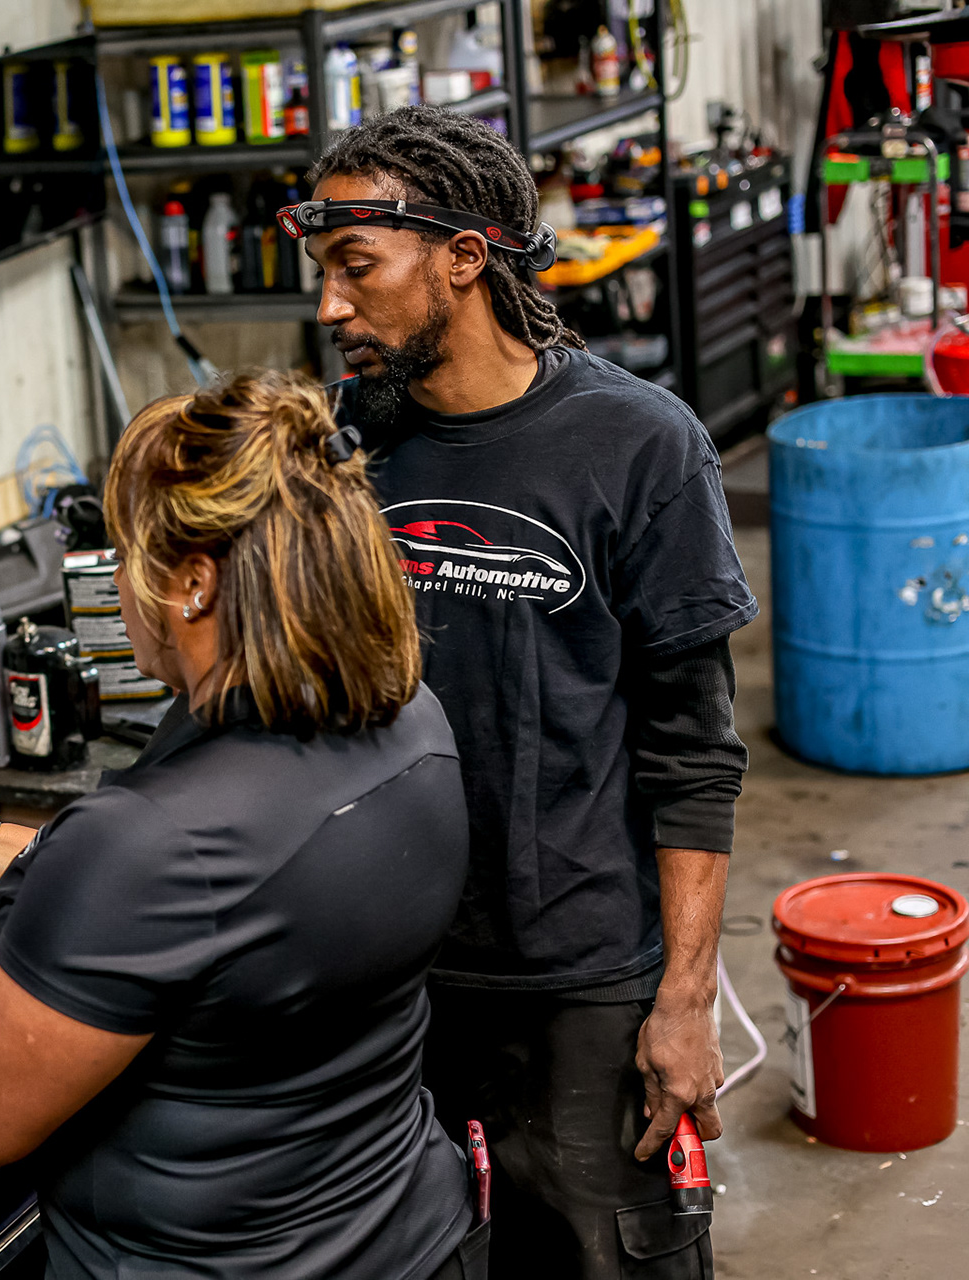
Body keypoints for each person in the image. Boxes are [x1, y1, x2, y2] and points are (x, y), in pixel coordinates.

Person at [0, 372, 489, 1279]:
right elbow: (238, 911)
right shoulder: (411, 726)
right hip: (416, 1241)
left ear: (194, 584)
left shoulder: (147, 843)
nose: (117, 581)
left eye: (127, 553)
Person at [285, 105, 755, 1279]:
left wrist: (685, 995)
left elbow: (695, 751)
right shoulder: (343, 449)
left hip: (582, 980)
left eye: (356, 266)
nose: (331, 306)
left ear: (463, 256)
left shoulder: (640, 445)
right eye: (323, 271)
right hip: (392, 969)